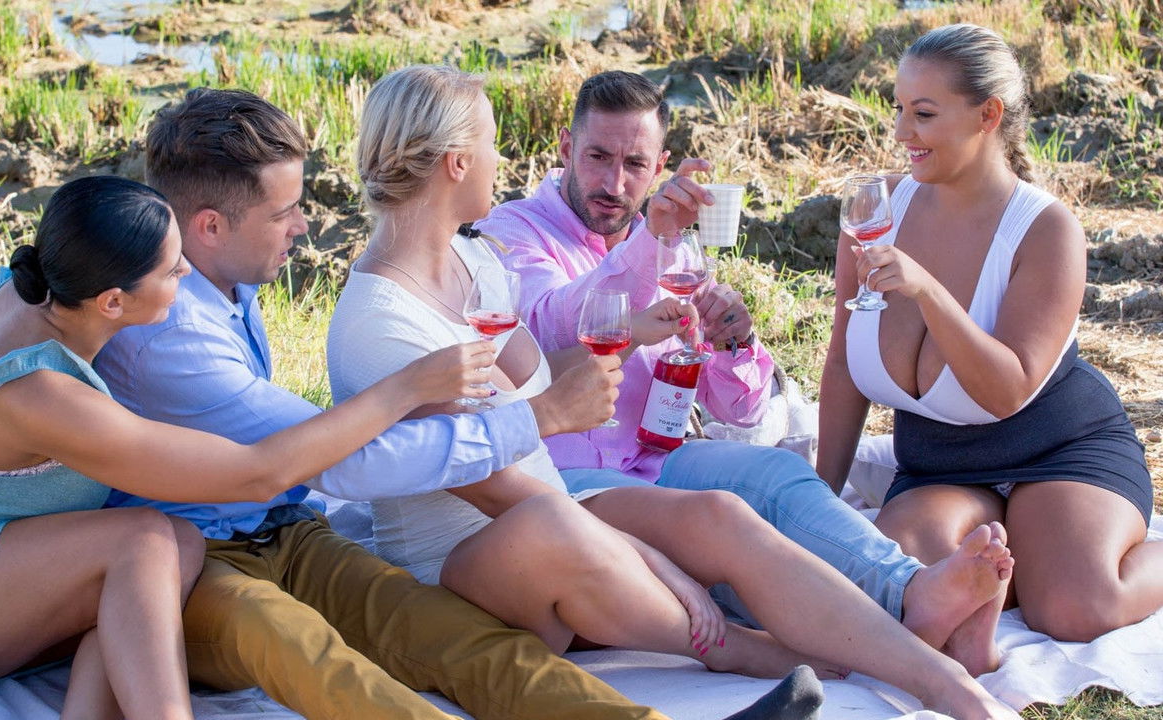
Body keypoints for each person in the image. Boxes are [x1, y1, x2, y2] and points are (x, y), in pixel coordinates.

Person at [328, 63, 1021, 720]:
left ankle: (944, 682)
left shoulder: (472, 259)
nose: (498, 157)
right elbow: (490, 477)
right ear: (456, 163)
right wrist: (652, 556)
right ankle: (739, 649)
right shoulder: (381, 322)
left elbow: (546, 370)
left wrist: (697, 346)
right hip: (461, 556)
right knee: (560, 525)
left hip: (549, 497)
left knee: (717, 512)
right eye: (487, 143)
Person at [93, 86, 794, 720]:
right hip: (200, 557)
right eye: (285, 212)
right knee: (318, 659)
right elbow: (344, 463)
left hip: (287, 531)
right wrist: (483, 406)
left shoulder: (226, 276)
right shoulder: (170, 334)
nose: (305, 225)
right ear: (211, 225)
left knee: (461, 641)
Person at [0, 175, 494, 719]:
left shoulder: (41, 288)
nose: (188, 279)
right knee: (142, 539)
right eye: (174, 271)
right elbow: (258, 474)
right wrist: (407, 388)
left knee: (176, 542)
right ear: (113, 302)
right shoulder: (41, 395)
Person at [816, 23, 1161, 646]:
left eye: (922, 114)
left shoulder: (1048, 230)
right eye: (898, 110)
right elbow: (843, 367)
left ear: (988, 115)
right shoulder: (874, 214)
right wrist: (821, 494)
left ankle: (1050, 557)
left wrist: (928, 292)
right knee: (903, 590)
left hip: (1061, 453)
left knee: (1076, 608)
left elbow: (1008, 390)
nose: (900, 134)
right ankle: (1016, 565)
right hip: (940, 467)